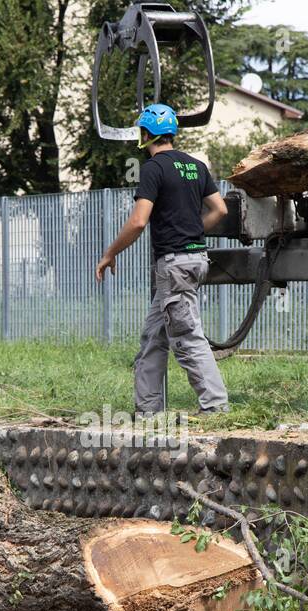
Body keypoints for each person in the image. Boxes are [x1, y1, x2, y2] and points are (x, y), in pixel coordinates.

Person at [95, 103, 230, 415]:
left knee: (185, 336)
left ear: (145, 134)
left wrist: (110, 253)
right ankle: (148, 409)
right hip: (195, 260)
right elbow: (220, 210)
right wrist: (194, 231)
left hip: (174, 265)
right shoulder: (196, 166)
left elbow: (138, 222)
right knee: (154, 337)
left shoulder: (153, 169)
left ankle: (215, 406)